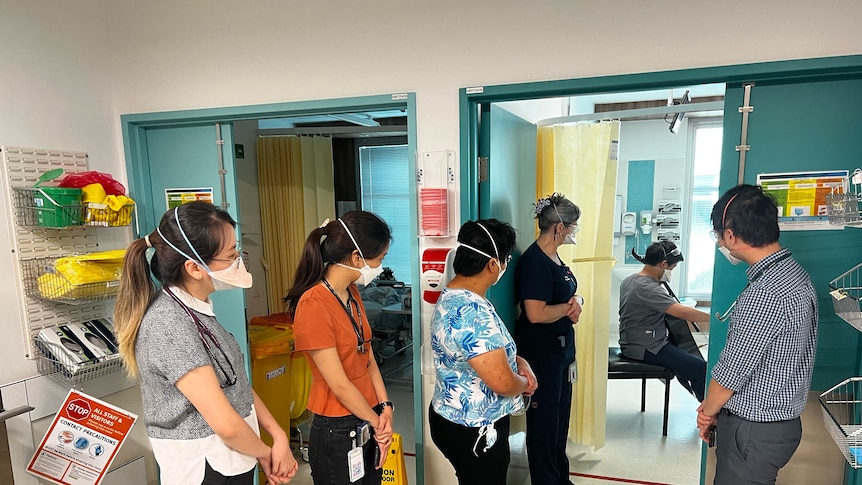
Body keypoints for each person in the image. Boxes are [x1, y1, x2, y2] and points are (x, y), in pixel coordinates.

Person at [114, 201, 297, 485]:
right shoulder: (169, 324)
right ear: (194, 268)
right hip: (205, 469)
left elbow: (234, 384)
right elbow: (226, 425)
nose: (239, 261)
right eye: (232, 255)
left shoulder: (197, 310)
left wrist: (278, 434)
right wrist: (269, 453)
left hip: (234, 458)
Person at [696, 184, 818, 485]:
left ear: (731, 235)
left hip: (754, 428)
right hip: (778, 424)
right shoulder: (793, 273)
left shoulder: (765, 293)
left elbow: (731, 372)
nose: (720, 243)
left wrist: (707, 412)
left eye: (719, 235)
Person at [285, 212, 394, 485]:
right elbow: (339, 385)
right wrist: (376, 421)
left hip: (367, 415)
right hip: (338, 427)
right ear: (357, 258)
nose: (381, 266)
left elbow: (367, 356)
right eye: (379, 259)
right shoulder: (313, 304)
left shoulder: (352, 292)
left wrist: (385, 407)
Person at [429, 219, 538, 485]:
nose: (505, 265)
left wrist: (518, 360)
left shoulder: (454, 295)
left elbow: (481, 352)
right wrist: (525, 382)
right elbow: (502, 383)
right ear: (492, 264)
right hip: (474, 429)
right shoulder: (473, 312)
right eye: (506, 259)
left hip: (449, 416)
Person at [513, 193, 581, 485]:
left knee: (559, 423)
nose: (574, 231)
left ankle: (560, 479)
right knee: (543, 427)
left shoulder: (555, 257)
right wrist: (569, 307)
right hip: (541, 355)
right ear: (559, 227)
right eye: (573, 225)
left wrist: (577, 299)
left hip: (562, 352)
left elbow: (566, 293)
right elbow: (535, 313)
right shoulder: (534, 262)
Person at [619, 241, 710, 401]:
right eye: (672, 268)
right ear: (663, 264)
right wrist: (716, 319)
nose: (671, 273)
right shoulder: (648, 288)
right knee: (701, 369)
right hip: (647, 348)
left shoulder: (630, 280)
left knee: (687, 360)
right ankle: (709, 415)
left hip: (633, 343)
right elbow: (682, 312)